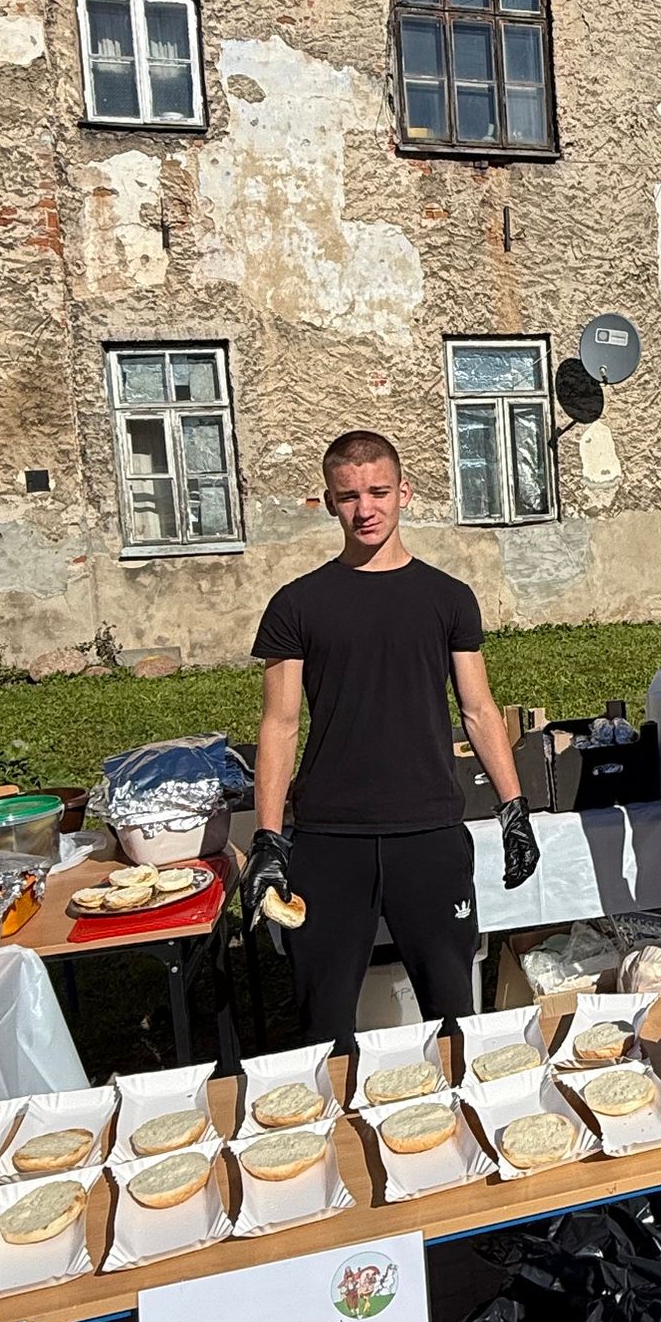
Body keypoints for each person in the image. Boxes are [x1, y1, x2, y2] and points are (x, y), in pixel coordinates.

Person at [241, 430, 540, 1052]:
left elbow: (479, 709)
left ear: (404, 492)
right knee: (322, 1027)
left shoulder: (448, 598)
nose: (365, 509)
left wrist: (515, 808)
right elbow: (279, 725)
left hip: (429, 834)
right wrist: (268, 838)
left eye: (378, 492)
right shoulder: (297, 605)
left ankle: (458, 1108)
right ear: (329, 501)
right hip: (329, 839)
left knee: (453, 1016)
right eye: (349, 496)